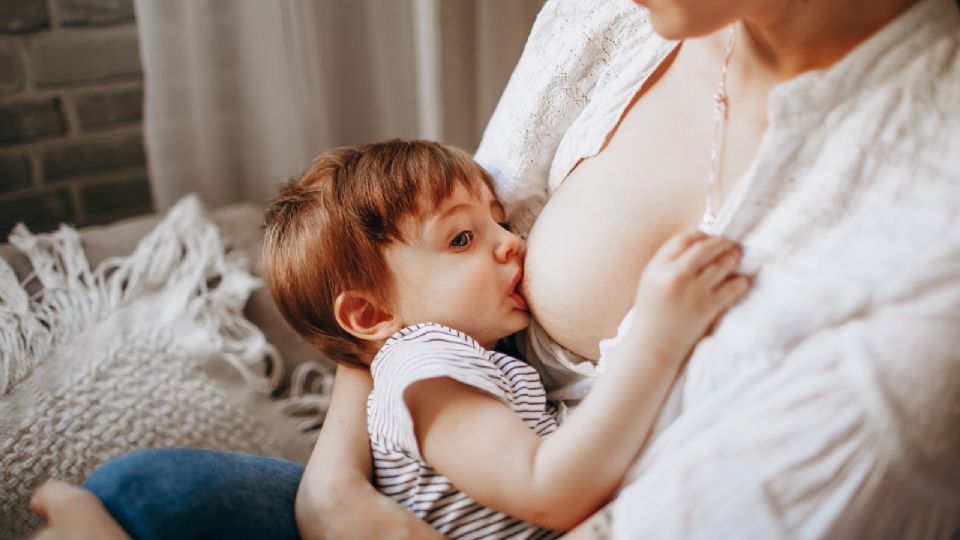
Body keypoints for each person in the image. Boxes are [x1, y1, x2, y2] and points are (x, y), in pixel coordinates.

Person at [32, 0, 960, 538]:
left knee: (151, 495)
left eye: (489, 228)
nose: (511, 238)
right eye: (472, 241)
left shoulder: (922, 216)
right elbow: (533, 463)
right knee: (153, 492)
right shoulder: (433, 368)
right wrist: (332, 487)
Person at [258, 139, 747, 538]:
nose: (511, 241)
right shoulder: (425, 365)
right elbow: (547, 489)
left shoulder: (459, 360)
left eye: (499, 220)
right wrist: (657, 338)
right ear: (369, 313)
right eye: (462, 239)